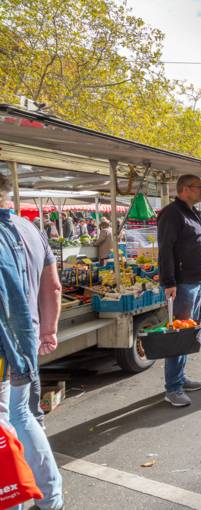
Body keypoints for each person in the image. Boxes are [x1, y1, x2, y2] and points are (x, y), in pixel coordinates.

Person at [0, 175, 65, 510]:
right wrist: (48, 331)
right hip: (25, 344)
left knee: (10, 423)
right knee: (24, 416)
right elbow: (53, 287)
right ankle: (50, 497)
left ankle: (16, 500)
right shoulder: (31, 230)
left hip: (6, 347)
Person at [157, 175, 201, 408]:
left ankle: (180, 377)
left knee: (187, 333)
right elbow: (165, 249)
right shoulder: (172, 213)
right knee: (178, 336)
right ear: (186, 189)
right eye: (199, 188)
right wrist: (169, 282)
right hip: (183, 283)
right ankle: (173, 388)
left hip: (196, 281)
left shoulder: (190, 212)